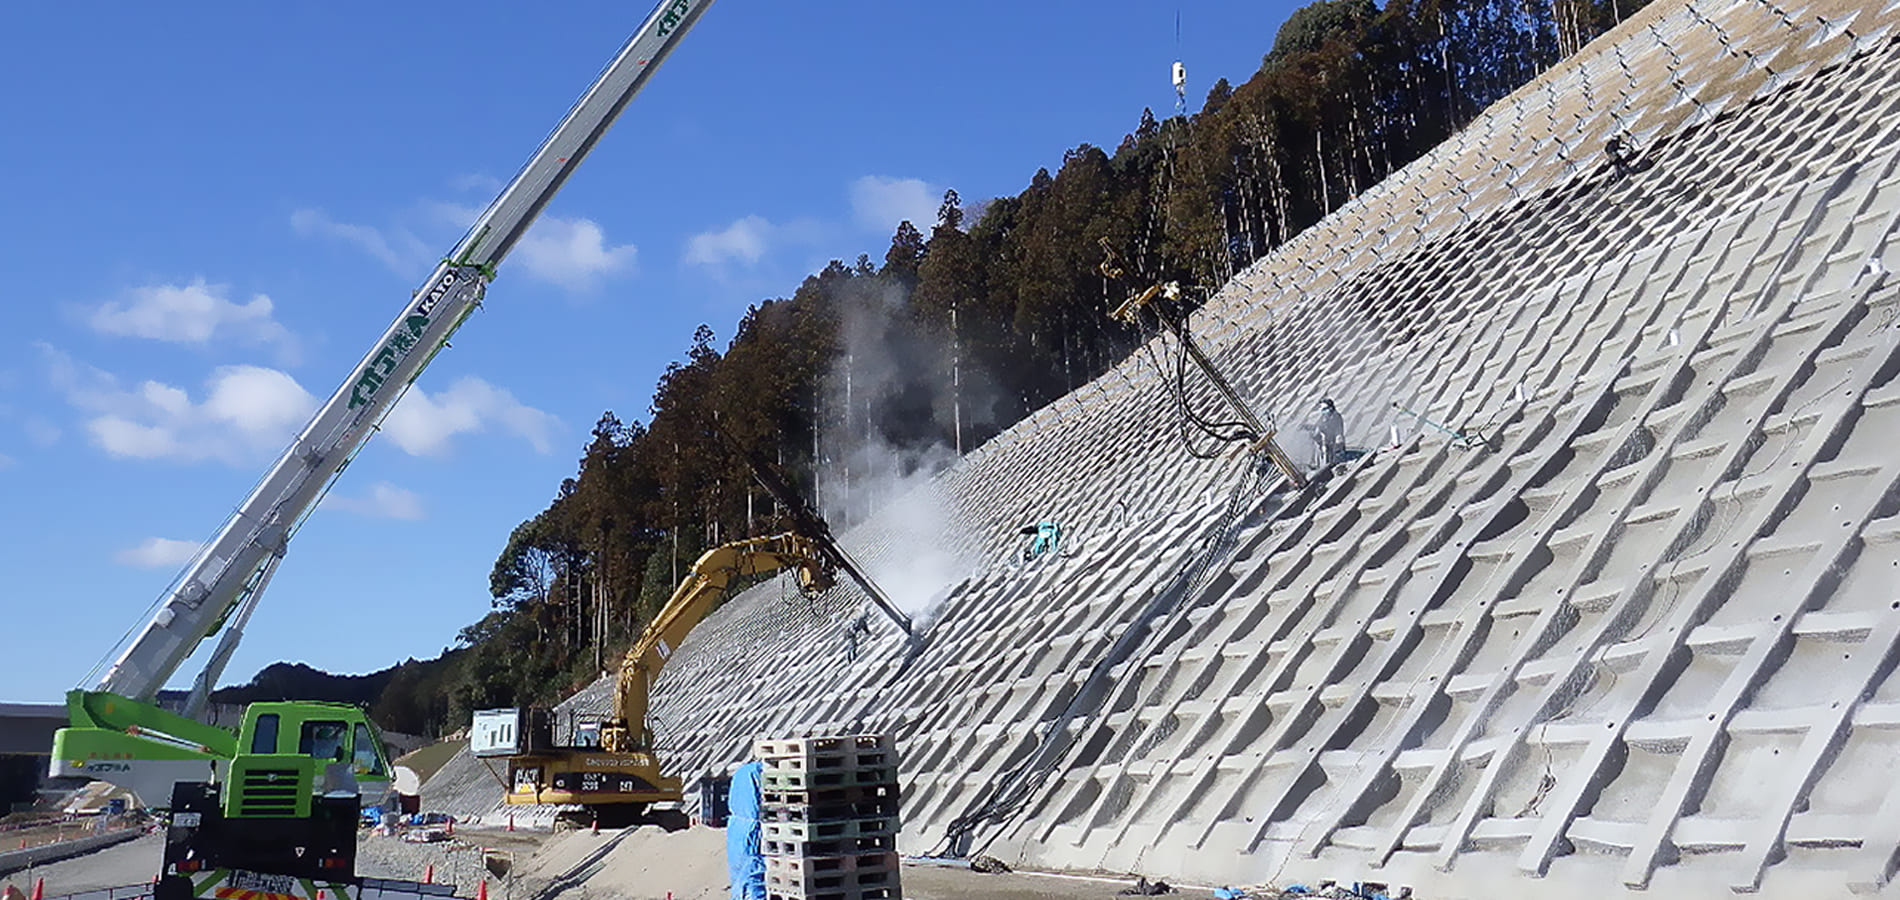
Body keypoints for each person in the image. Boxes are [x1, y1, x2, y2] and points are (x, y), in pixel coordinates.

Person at [1307, 398, 1345, 469]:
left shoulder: (1335, 416)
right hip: (1327, 445)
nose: (1323, 411)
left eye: (1325, 409)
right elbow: (1319, 427)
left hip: (1334, 445)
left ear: (1331, 408)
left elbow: (1338, 431)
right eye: (1322, 409)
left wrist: (1338, 440)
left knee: (1334, 462)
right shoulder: (1323, 418)